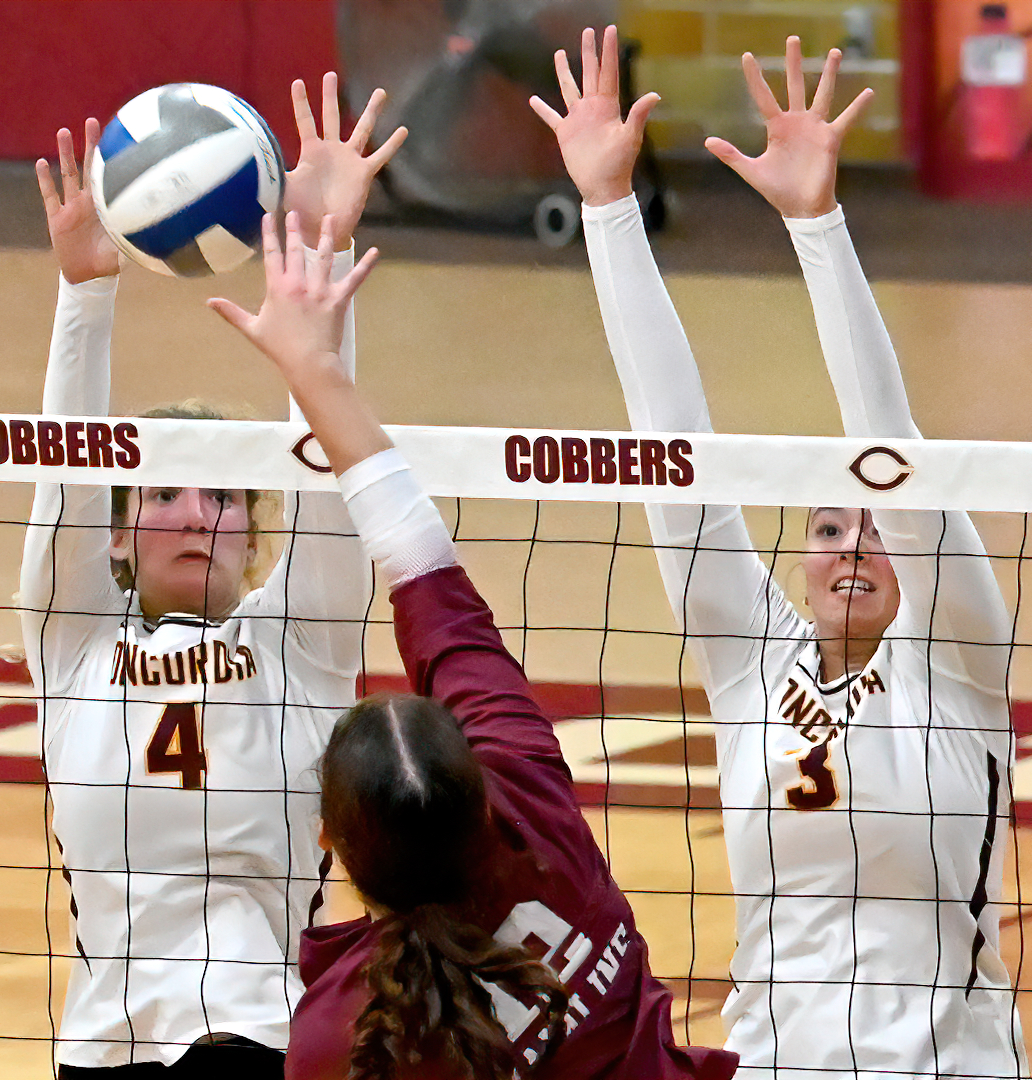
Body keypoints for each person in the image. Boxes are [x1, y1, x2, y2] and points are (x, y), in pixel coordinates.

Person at [533, 28, 1027, 1080]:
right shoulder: (753, 663)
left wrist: (817, 224)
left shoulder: (957, 666)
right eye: (826, 527)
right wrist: (609, 209)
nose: (852, 545)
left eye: (873, 527)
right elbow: (670, 453)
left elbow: (890, 445)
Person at [209, 210, 738, 1080]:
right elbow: (430, 580)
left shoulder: (339, 1035)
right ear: (482, 789)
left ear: (331, 847)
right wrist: (316, 370)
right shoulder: (540, 820)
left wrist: (306, 364)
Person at [21, 75, 406, 1078]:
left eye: (224, 497)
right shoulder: (75, 645)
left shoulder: (300, 643)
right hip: (101, 1048)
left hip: (260, 1037)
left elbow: (330, 469)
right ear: (115, 536)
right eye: (162, 496)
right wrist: (83, 293)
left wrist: (316, 257)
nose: (196, 513)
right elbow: (66, 476)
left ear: (254, 529)